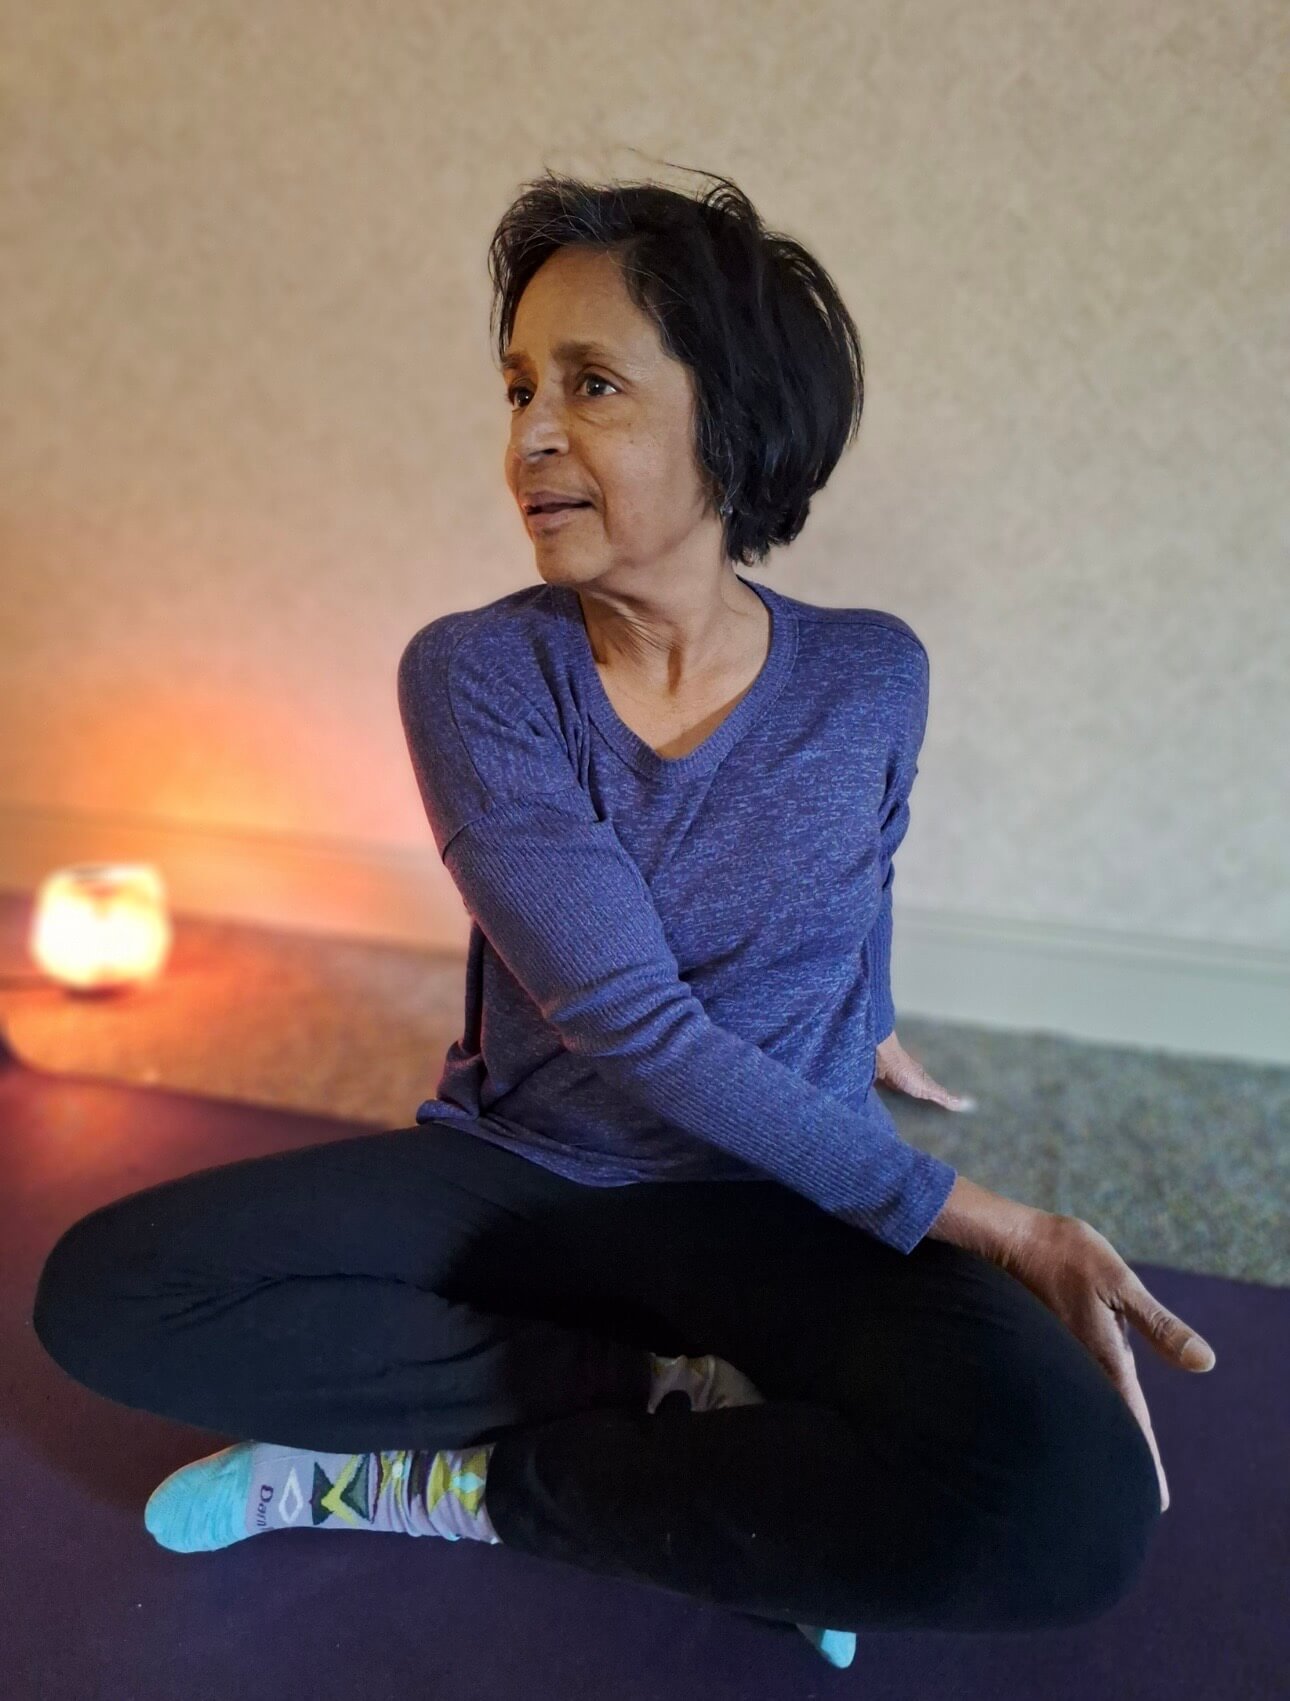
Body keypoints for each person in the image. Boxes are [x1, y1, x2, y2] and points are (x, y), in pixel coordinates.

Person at [31, 166, 1214, 1672]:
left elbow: (865, 876)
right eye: (518, 386)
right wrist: (991, 1220)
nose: (529, 435)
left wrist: (866, 1023)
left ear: (731, 418)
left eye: (589, 384)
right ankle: (657, 1402)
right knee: (109, 1293)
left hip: (776, 1192)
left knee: (1073, 1510)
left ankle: (468, 1483)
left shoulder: (874, 674)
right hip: (525, 1177)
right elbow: (628, 1021)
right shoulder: (477, 673)